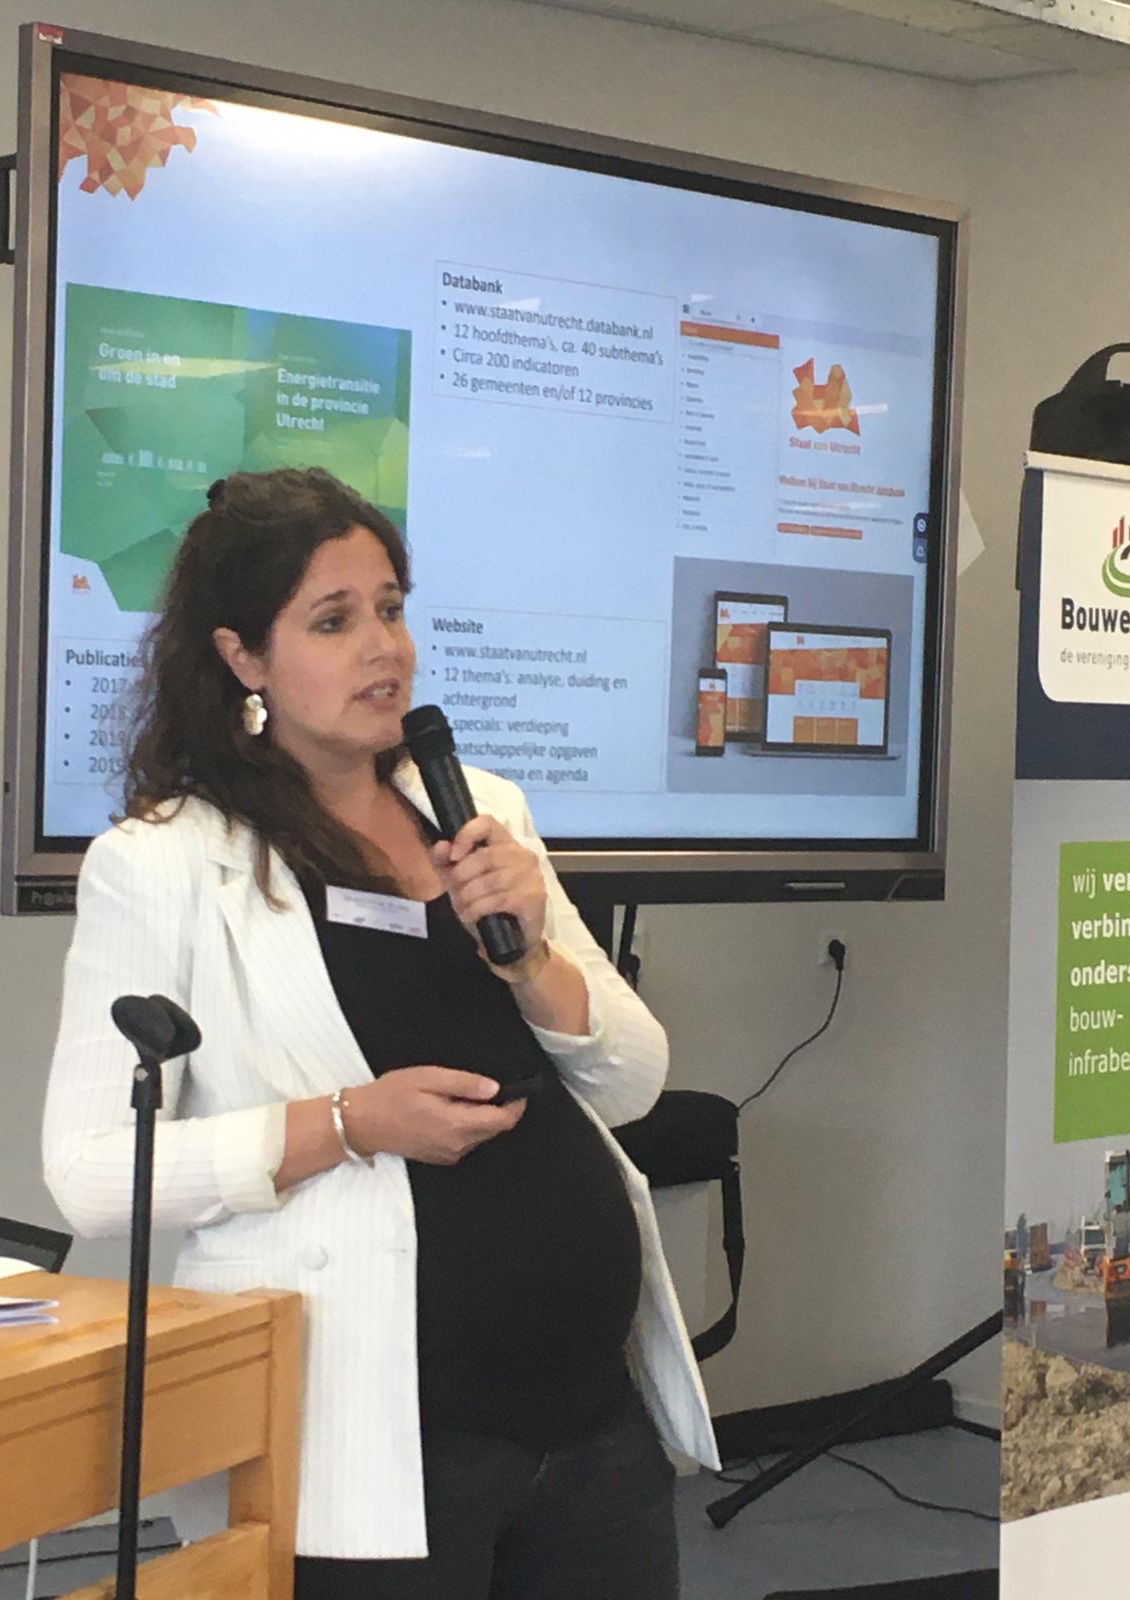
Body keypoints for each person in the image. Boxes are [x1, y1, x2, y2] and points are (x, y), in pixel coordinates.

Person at [42, 467, 718, 1599]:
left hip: (592, 1421)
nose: (383, 648)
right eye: (333, 620)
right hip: (375, 1435)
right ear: (243, 658)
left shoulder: (481, 807)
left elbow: (634, 1079)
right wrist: (350, 1123)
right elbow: (90, 1173)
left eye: (392, 609)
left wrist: (533, 961)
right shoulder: (162, 863)